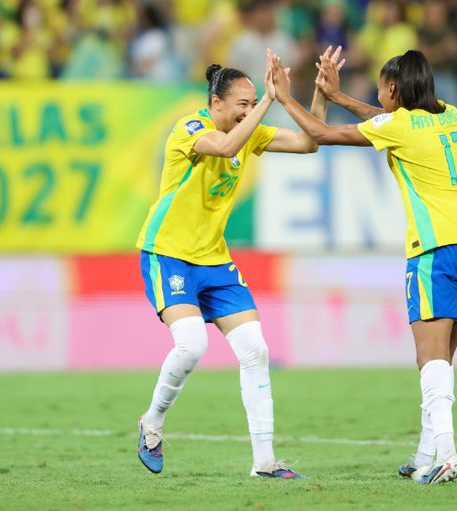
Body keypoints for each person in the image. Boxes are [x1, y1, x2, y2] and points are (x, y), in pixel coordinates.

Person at [270, 48, 457, 484]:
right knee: (440, 360)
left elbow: (321, 133)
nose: (377, 96)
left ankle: (447, 454)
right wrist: (338, 96)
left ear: (393, 88)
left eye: (380, 89)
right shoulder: (450, 115)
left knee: (430, 358)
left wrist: (285, 97)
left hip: (435, 249)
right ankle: (427, 451)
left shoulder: (400, 126)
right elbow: (388, 120)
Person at [135, 48, 330, 479]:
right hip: (169, 254)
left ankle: (264, 463)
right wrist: (268, 100)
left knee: (256, 350)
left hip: (214, 259)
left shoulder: (248, 133)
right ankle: (152, 422)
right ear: (215, 102)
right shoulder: (191, 128)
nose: (248, 111)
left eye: (252, 102)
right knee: (191, 345)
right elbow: (224, 148)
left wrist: (317, 95)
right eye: (242, 103)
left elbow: (309, 142)